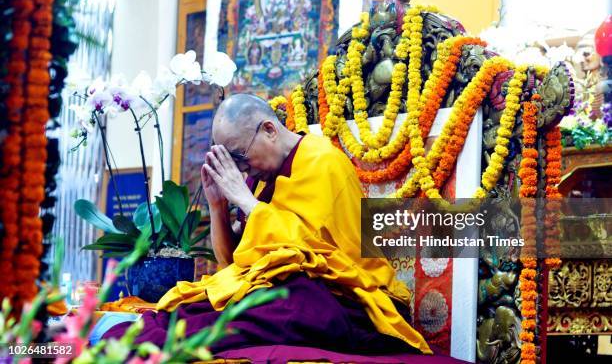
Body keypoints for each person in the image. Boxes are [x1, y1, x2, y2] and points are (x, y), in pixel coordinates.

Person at [103, 93, 432, 356]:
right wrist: (218, 206)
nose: (242, 170)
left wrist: (247, 203)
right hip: (286, 288)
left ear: (270, 130)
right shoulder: (261, 178)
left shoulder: (323, 162)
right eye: (233, 162)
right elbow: (233, 265)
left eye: (241, 156)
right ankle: (159, 335)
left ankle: (175, 339)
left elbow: (319, 255)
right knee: (209, 305)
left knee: (291, 305)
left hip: (345, 295)